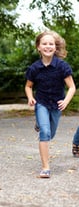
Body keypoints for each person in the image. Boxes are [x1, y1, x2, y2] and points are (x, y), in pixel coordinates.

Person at [25, 30, 76, 178]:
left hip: (57, 104)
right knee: (45, 133)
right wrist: (30, 98)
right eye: (44, 44)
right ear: (38, 47)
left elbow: (72, 87)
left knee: (51, 133)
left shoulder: (62, 66)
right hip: (41, 103)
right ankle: (45, 167)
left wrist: (66, 101)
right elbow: (28, 86)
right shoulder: (34, 68)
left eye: (51, 44)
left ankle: (40, 124)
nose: (48, 46)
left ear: (55, 47)